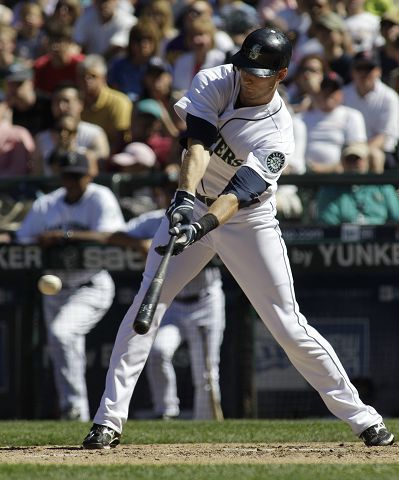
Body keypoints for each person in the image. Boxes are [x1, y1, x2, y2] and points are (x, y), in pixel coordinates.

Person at [82, 27, 395, 449]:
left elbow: (239, 194)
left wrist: (201, 225)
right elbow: (197, 146)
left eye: (260, 72)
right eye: (245, 66)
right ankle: (108, 421)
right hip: (194, 204)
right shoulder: (215, 79)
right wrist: (183, 201)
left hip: (246, 220)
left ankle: (364, 418)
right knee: (146, 308)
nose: (248, 76)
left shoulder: (278, 132)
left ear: (281, 74)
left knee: (287, 324)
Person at [95, 184, 226, 420]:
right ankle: (166, 413)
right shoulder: (157, 221)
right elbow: (113, 234)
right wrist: (139, 243)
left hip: (204, 302)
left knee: (206, 371)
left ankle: (208, 425)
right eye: (170, 192)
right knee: (157, 351)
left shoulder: (207, 218)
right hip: (171, 305)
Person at [15, 151, 126, 421]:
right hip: (55, 287)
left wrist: (65, 235)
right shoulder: (48, 204)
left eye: (78, 176)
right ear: (60, 177)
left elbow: (113, 235)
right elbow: (22, 237)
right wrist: (41, 239)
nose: (73, 181)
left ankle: (75, 407)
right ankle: (73, 410)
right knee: (62, 344)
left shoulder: (99, 197)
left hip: (90, 284)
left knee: (62, 334)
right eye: (68, 176)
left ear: (89, 175)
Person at [342, 49, 399, 171]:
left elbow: (384, 137)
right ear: (352, 72)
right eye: (359, 68)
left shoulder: (390, 97)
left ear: (379, 71)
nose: (364, 73)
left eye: (369, 68)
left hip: (380, 153)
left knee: (375, 155)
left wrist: (361, 153)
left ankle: (377, 190)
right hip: (349, 149)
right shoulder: (343, 94)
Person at [316, 142, 399, 224]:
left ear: (367, 161)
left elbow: (396, 217)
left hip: (381, 235)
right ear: (342, 162)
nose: (353, 164)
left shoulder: (383, 187)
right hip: (343, 235)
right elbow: (328, 222)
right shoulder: (330, 189)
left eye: (357, 159)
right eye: (349, 160)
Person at [302, 72, 367, 173]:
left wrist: (326, 169)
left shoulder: (352, 116)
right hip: (304, 173)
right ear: (318, 92)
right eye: (325, 89)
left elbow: (356, 150)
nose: (328, 93)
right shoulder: (302, 117)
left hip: (339, 175)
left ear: (341, 94)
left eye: (333, 90)